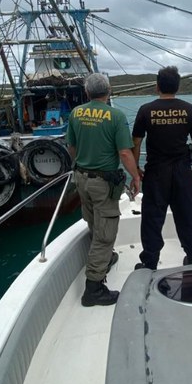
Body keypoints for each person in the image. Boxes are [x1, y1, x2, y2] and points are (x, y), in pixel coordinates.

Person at [67, 73, 140, 307]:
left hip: (81, 178)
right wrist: (136, 176)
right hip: (103, 183)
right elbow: (125, 152)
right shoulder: (115, 116)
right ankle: (94, 289)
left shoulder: (76, 113)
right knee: (105, 233)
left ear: (87, 93)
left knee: (93, 223)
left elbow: (71, 146)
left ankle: (105, 258)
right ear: (109, 91)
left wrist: (79, 166)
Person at [132, 66, 192, 270]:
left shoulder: (146, 110)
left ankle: (150, 261)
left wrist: (135, 168)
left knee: (152, 217)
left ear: (157, 86)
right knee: (187, 214)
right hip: (182, 170)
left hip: (156, 171)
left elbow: (136, 141)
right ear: (178, 86)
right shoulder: (189, 109)